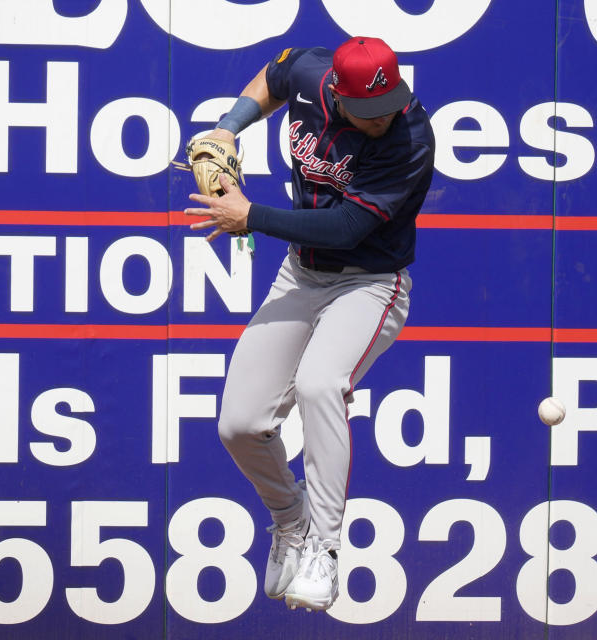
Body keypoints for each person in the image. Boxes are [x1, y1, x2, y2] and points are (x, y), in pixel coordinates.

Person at [184, 36, 435, 612]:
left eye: (388, 104)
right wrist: (228, 128)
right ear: (338, 95)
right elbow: (274, 78)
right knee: (241, 424)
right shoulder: (310, 71)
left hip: (370, 282)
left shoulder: (410, 137)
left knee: (321, 383)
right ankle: (290, 520)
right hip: (302, 274)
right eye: (368, 110)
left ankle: (323, 546)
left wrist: (251, 216)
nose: (382, 118)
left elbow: (347, 229)